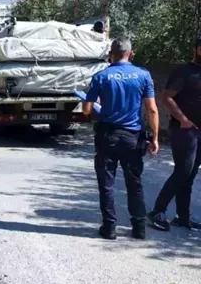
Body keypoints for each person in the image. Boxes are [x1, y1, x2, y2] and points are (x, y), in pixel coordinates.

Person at [83, 38, 160, 240]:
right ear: (131, 53)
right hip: (133, 137)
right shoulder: (144, 76)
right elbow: (152, 109)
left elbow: (86, 109)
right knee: (134, 183)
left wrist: (96, 107)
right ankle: (139, 228)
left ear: (111, 54)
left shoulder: (101, 76)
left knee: (106, 183)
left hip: (107, 136)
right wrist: (155, 137)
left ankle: (109, 228)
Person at [148, 38, 201, 232]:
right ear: (196, 49)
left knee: (191, 174)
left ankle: (183, 217)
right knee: (182, 172)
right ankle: (157, 212)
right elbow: (166, 97)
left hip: (199, 132)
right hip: (184, 131)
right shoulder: (183, 72)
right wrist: (183, 119)